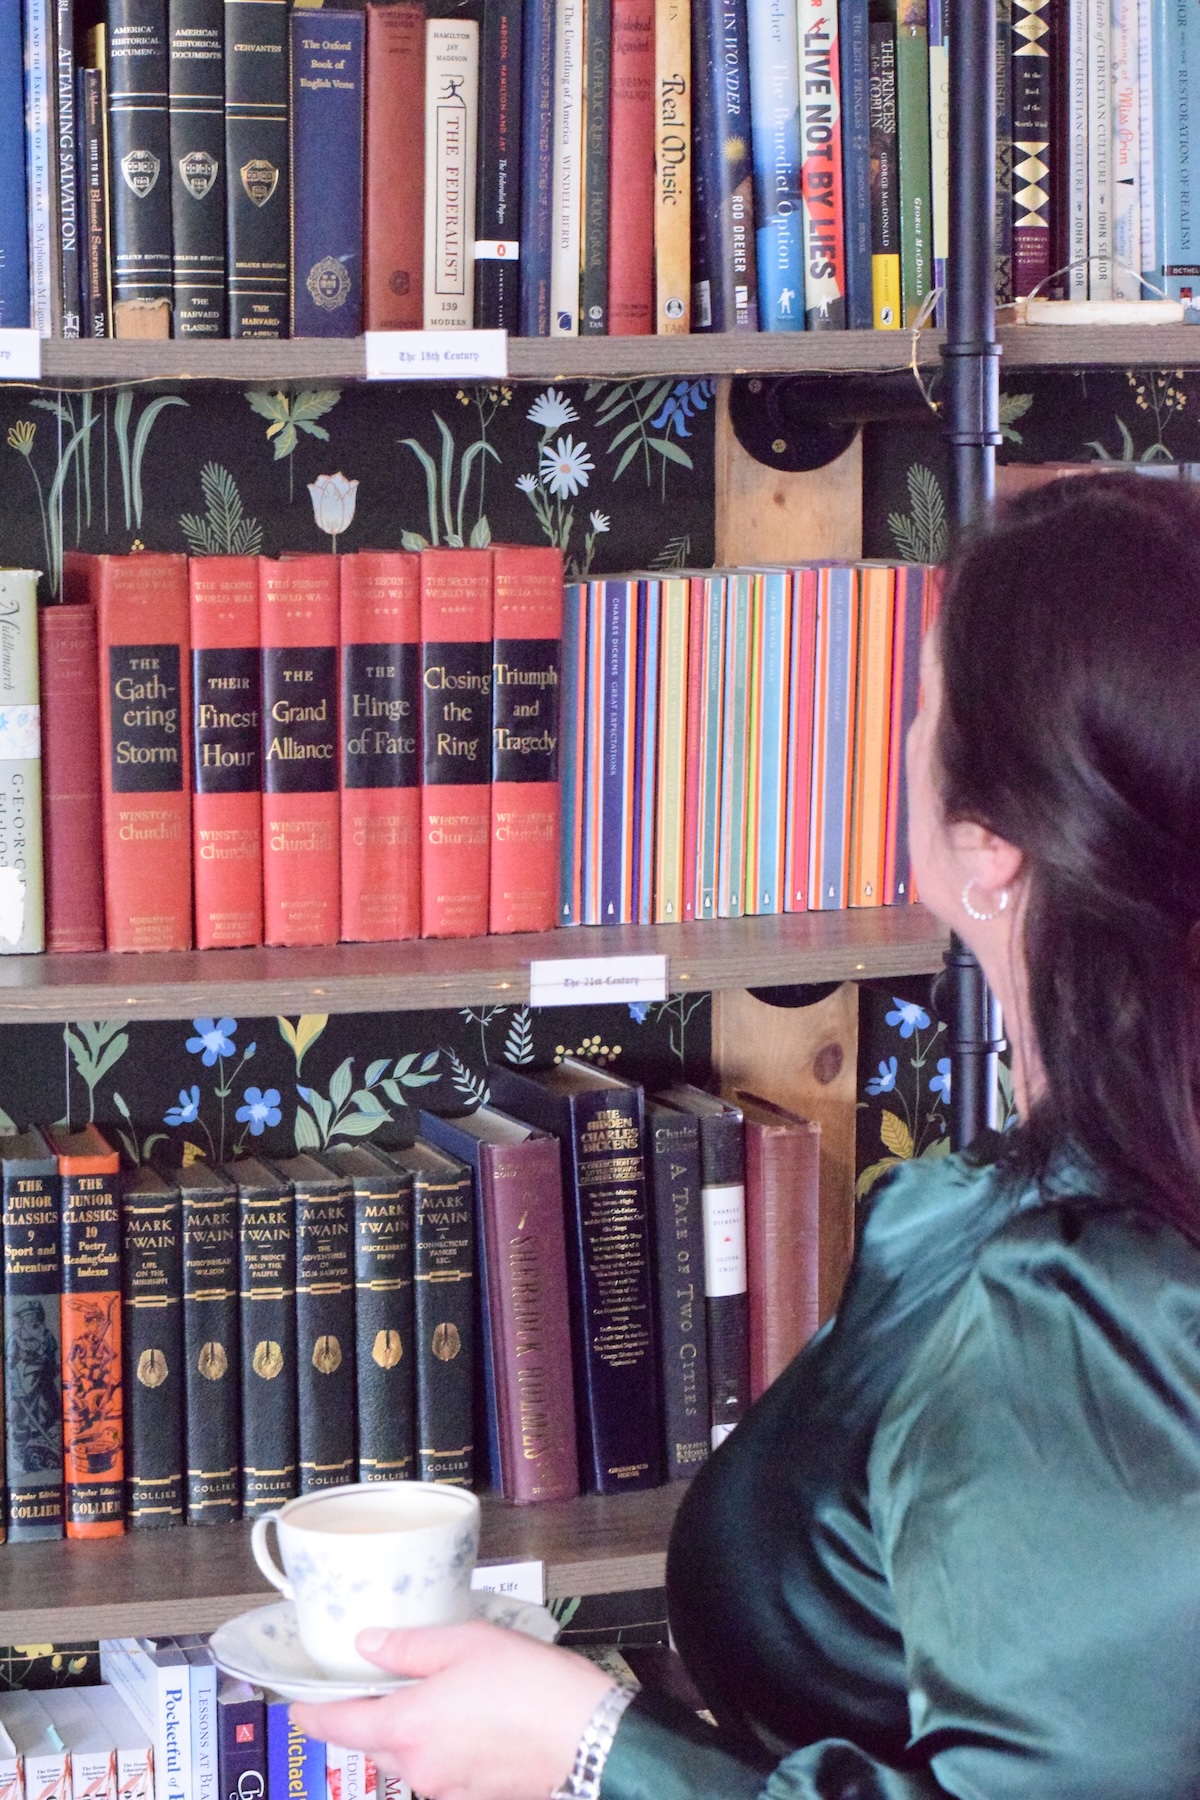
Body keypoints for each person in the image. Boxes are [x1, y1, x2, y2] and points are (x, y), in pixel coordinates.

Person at [292, 472, 1200, 1799]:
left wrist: (588, 1751)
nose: (904, 737)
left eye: (925, 701)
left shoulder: (1085, 1315)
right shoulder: (995, 1219)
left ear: (992, 844)